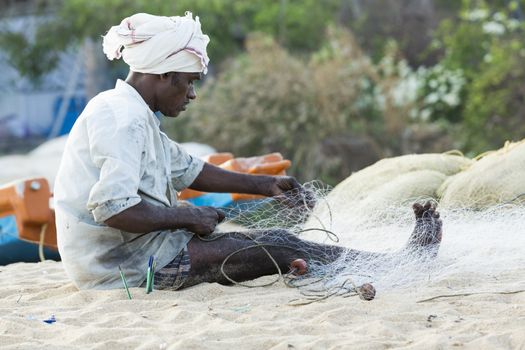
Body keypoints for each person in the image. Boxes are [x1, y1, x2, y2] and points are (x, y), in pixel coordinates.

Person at [54, 12, 442, 291]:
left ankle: (394, 261)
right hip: (123, 269)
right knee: (275, 247)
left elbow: (190, 169)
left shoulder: (134, 114)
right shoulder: (122, 119)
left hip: (144, 254)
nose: (191, 94)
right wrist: (188, 218)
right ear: (162, 75)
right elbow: (113, 209)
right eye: (187, 83)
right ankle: (402, 264)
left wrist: (266, 185)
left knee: (272, 239)